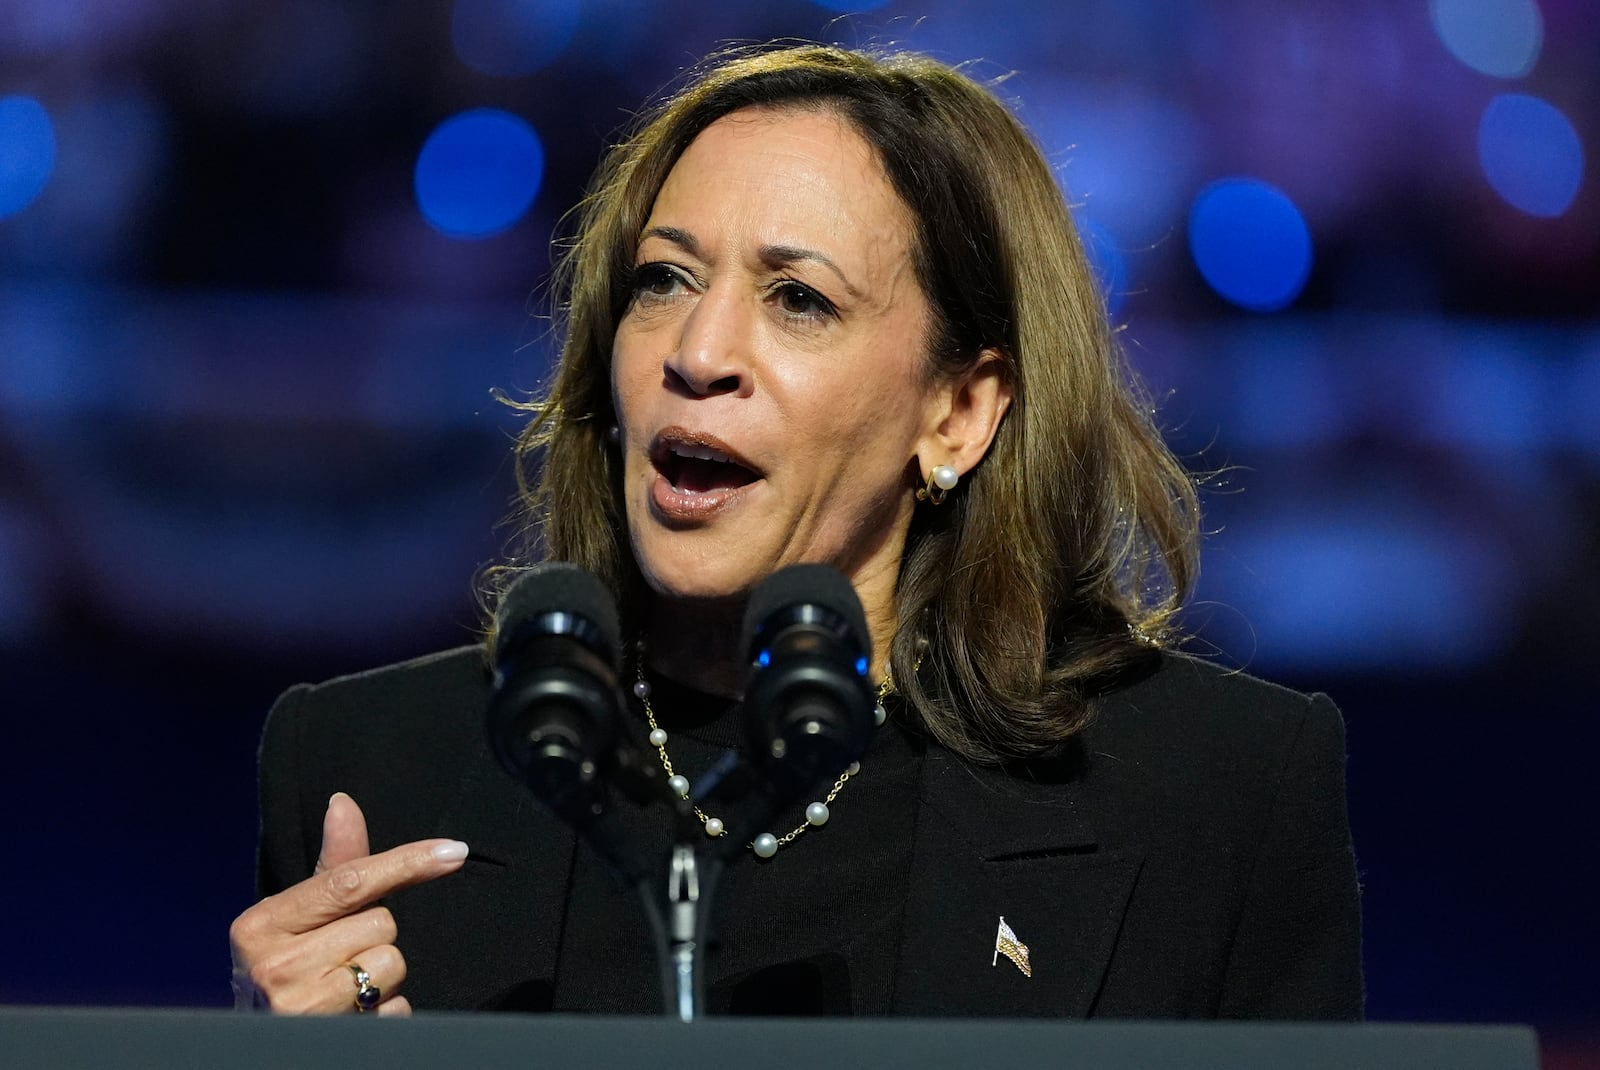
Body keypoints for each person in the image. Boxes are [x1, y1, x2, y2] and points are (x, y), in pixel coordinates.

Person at [230, 43, 1362, 1019]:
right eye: (663, 279)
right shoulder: (375, 769)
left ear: (957, 411)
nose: (698, 350)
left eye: (797, 299)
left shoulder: (1212, 794)